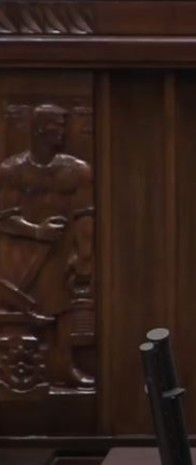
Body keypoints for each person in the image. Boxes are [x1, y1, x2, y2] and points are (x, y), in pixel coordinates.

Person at [0, 103, 94, 388]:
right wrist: (36, 231)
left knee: (62, 308)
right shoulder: (11, 170)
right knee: (19, 311)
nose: (61, 132)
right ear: (39, 129)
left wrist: (84, 253)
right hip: (20, 254)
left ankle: (63, 365)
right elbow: (4, 217)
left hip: (60, 252)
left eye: (63, 126)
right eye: (55, 126)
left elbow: (85, 215)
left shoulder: (77, 170)